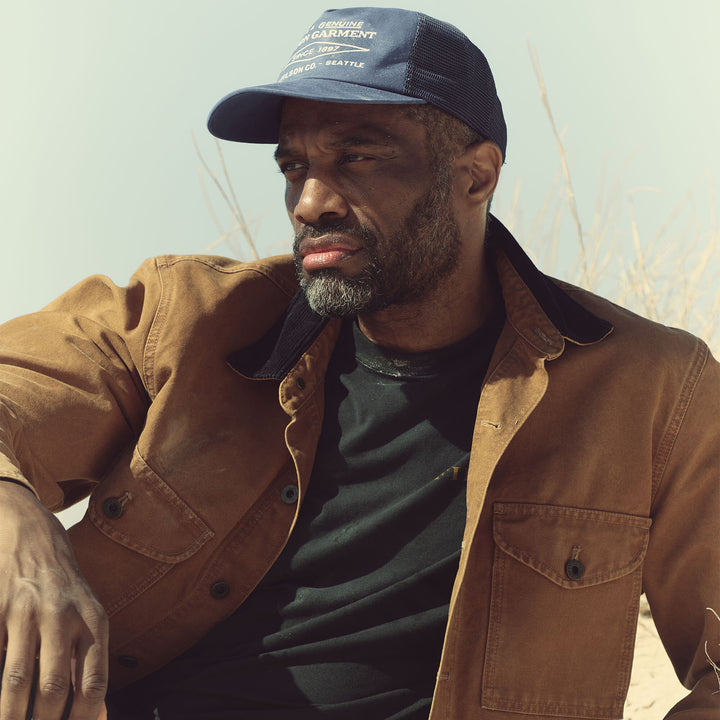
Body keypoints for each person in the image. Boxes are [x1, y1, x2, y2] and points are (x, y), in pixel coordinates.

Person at [0, 6, 717, 719]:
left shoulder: (652, 389)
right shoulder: (185, 320)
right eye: (294, 166)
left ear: (475, 176)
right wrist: (19, 523)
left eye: (358, 158)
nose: (310, 203)